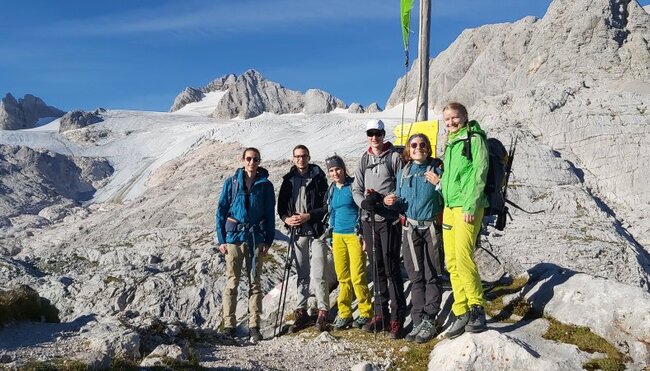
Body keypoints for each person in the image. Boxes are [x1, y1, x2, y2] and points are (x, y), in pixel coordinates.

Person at [384, 134, 444, 343]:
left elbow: (449, 197)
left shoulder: (437, 169)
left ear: (428, 148)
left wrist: (440, 183)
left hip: (431, 229)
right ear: (408, 150)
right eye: (414, 145)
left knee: (432, 274)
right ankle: (418, 320)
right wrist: (391, 201)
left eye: (422, 144)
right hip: (410, 229)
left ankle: (430, 318)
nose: (418, 148)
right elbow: (401, 200)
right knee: (415, 274)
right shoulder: (404, 171)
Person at [352, 119, 407, 339]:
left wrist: (387, 200)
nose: (374, 137)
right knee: (376, 267)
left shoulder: (394, 158)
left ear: (384, 134)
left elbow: (402, 187)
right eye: (370, 133)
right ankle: (380, 314)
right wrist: (363, 203)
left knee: (391, 266)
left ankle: (397, 318)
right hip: (369, 220)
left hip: (389, 220)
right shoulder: (363, 160)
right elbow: (356, 188)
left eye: (378, 133)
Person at [215, 147, 276, 342]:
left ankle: (254, 325)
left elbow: (269, 214)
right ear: (242, 160)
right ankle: (229, 325)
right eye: (249, 159)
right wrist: (221, 239)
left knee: (255, 283)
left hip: (255, 238)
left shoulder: (266, 185)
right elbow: (221, 211)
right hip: (233, 238)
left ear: (259, 162)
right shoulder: (231, 183)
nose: (252, 162)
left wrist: (268, 240)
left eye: (255, 159)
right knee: (232, 282)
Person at [439, 102, 489, 338]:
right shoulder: (451, 143)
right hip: (450, 208)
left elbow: (480, 172)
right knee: (450, 260)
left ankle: (477, 308)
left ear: (465, 117)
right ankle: (462, 311)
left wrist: (471, 204)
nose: (450, 123)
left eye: (455, 118)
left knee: (463, 256)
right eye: (447, 119)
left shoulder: (474, 138)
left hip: (467, 207)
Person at [277, 144, 330, 332]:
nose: (300, 159)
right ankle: (301, 311)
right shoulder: (288, 179)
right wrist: (286, 219)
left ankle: (323, 311)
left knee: (319, 272)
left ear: (309, 157)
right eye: (297, 156)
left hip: (316, 229)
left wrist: (309, 215)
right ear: (293, 159)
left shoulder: (318, 178)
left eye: (304, 156)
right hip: (297, 231)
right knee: (302, 273)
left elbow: (326, 205)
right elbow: (281, 206)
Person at [324, 155, 373, 330]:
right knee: (343, 277)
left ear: (343, 169)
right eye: (331, 170)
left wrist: (363, 234)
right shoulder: (332, 189)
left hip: (354, 236)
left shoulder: (353, 186)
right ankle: (344, 313)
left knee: (357, 275)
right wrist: (330, 236)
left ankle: (366, 312)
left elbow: (362, 211)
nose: (335, 173)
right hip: (337, 236)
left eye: (337, 169)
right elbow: (333, 213)